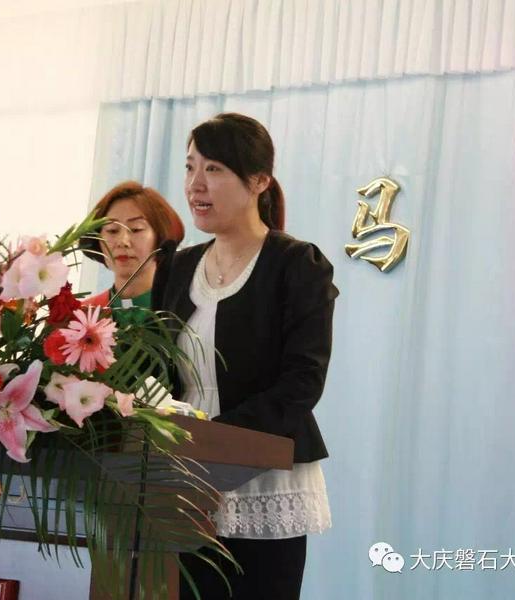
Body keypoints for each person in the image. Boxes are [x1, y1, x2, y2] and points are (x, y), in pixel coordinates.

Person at [152, 113, 338, 599]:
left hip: (262, 478)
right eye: (190, 167)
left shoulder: (296, 264)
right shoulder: (177, 266)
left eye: (213, 169)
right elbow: (156, 372)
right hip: (182, 479)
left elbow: (302, 381)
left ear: (259, 181)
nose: (195, 185)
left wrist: (216, 444)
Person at [81, 181, 185, 316]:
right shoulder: (78, 317)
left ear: (161, 237)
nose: (122, 242)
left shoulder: (185, 314)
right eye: (112, 230)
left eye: (136, 229)